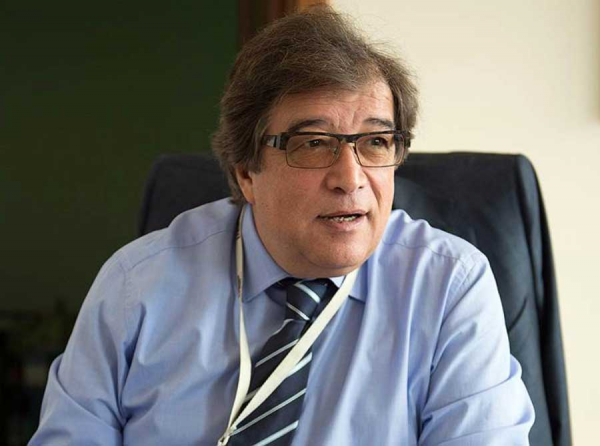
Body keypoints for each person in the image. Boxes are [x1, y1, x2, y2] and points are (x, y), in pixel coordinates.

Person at [30, 6, 534, 446]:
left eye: (376, 143)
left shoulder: (449, 287)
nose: (350, 179)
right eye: (313, 144)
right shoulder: (136, 286)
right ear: (246, 173)